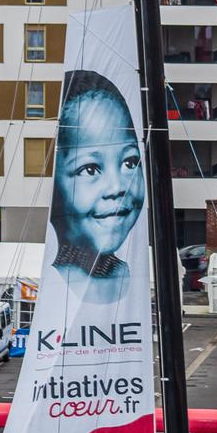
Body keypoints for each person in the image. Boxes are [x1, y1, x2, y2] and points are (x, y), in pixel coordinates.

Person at [50, 69, 145, 305]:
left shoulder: (132, 275)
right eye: (90, 169)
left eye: (130, 162)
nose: (116, 187)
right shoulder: (52, 287)